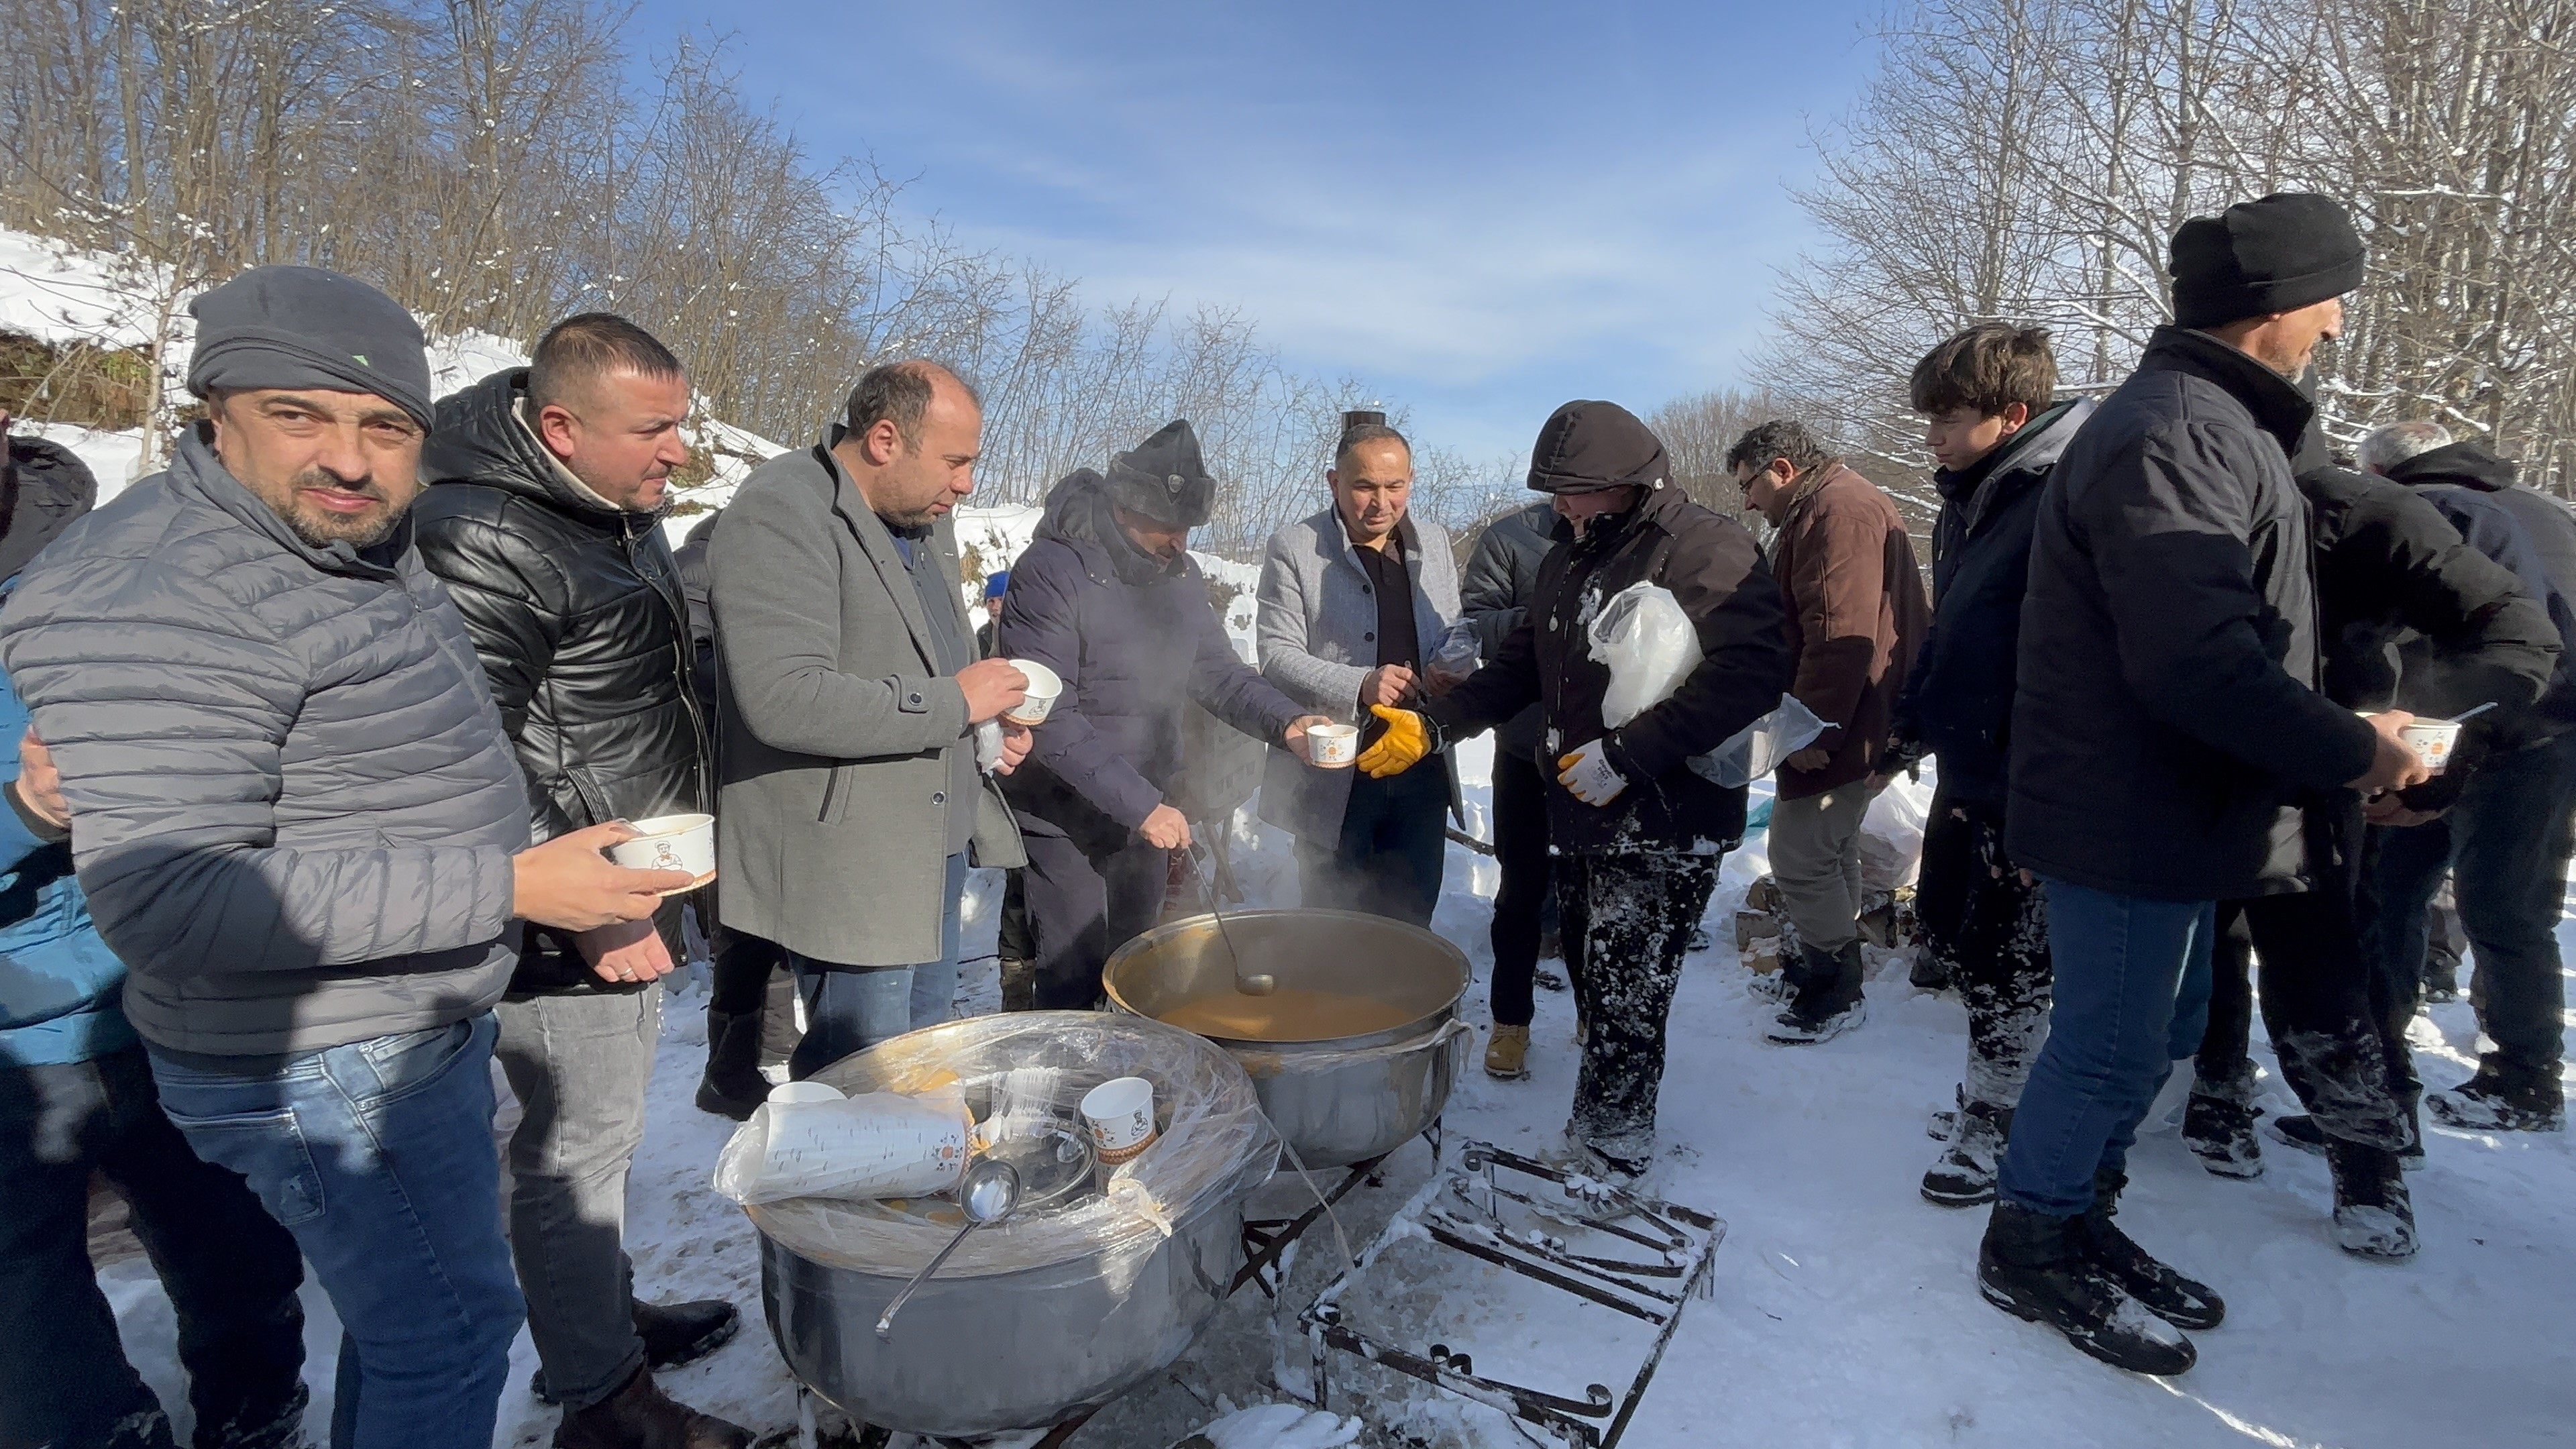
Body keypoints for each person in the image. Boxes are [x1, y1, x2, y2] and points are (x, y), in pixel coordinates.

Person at [0, 265, 694, 1449]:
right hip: (322, 1054)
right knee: (445, 1342)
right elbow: (165, 897)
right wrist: (515, 887)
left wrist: (530, 873)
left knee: (428, 1329)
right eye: (298, 414)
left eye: (384, 426)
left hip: (397, 1015)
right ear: (214, 410)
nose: (351, 459)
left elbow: (441, 750)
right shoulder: (152, 587)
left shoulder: (348, 544)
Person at [1980, 195, 2431, 1375]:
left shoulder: (2209, 422)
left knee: (2148, 1037)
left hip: (2169, 808)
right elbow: (2194, 660)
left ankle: (2076, 1210)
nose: (2337, 327)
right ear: (2274, 305)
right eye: (2331, 299)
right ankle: (2029, 1237)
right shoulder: (2177, 432)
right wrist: (2354, 748)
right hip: (2127, 812)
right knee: (2109, 1047)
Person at [411, 316, 748, 1448]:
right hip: (567, 909)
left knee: (597, 1138)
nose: (678, 453)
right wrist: (596, 906)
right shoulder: (482, 533)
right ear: (561, 426)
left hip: (626, 877)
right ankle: (604, 1402)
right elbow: (474, 758)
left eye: (680, 427)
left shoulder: (609, 508)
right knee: (573, 1149)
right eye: (653, 430)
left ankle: (599, 1323)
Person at [1364, 400, 1791, 1181]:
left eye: (1574, 491)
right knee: (1603, 969)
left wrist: (1628, 755)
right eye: (1553, 492)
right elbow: (1519, 667)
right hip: (1587, 810)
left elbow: (1755, 669)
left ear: (1626, 482)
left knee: (1631, 986)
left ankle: (1610, 1148)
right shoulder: (1572, 556)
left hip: (1667, 810)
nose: (1560, 507)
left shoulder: (1702, 547)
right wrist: (1434, 726)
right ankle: (1608, 1105)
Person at [2180, 430, 2559, 1260]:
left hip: (2331, 767)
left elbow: (2513, 631)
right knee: (2214, 940)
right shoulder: (2177, 505)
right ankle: (2219, 1093)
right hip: (2211, 763)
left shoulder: (2365, 511)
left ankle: (2370, 1160)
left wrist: (2439, 752)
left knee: (2321, 959)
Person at [1, 446, 312, 1449]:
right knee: (27, 1291)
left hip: (160, 985)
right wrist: (23, 814)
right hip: (15, 1036)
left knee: (228, 1232)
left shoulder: (90, 562)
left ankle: (260, 1406)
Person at [708, 360, 1031, 1079]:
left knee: (923, 1061)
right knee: (864, 1076)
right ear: (886, 440)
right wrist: (957, 705)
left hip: (934, 844)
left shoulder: (919, 517)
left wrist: (983, 728)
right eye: (955, 462)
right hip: (856, 861)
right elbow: (784, 696)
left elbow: (934, 662)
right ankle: (849, 1186)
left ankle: (910, 1183)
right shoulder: (786, 509)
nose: (966, 484)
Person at [998, 423, 1329, 1010]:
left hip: (1144, 804)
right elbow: (1051, 715)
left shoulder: (1179, 576)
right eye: (1168, 526)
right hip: (1062, 813)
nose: (1180, 541)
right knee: (1072, 971)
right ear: (1125, 506)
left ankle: (1130, 1088)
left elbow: (1220, 673)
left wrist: (1288, 723)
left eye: (1187, 528)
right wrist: (1144, 805)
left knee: (1139, 965)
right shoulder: (1051, 571)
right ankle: (1065, 1093)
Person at [1885, 323, 2094, 1206]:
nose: (1931, 433)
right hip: (1973, 763)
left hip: (2038, 771)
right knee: (1967, 936)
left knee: (2016, 959)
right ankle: (1988, 1092)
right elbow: (1956, 628)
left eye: (1949, 416)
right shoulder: (1974, 494)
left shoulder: (2065, 492)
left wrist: (2031, 761)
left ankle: (1998, 1124)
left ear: (2013, 413)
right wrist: (1914, 718)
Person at [2363, 432, 2576, 1132]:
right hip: (2533, 729)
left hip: (2518, 730)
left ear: (2382, 469)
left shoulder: (2427, 511)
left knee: (2493, 903)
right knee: (2419, 892)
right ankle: (2387, 1057)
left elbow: (2421, 646)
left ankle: (2524, 1079)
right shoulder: (2542, 507)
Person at [1727, 419, 1929, 1044]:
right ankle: (1823, 964)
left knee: (1799, 850)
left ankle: (1834, 990)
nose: (1748, 501)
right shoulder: (1839, 502)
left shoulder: (1835, 514)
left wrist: (1814, 730)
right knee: (1833, 845)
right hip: (1863, 712)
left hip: (1848, 713)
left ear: (1783, 469)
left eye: (1750, 486)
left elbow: (1839, 634)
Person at [1256, 423, 1462, 926]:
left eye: (1395, 486)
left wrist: (1453, 664)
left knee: (1412, 918)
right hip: (1335, 775)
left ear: (1411, 480)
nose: (1381, 502)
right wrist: (1360, 684)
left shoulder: (1434, 543)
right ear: (1334, 482)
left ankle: (1409, 1006)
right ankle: (1332, 1006)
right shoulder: (1295, 547)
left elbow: (1455, 631)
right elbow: (1275, 655)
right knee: (1332, 922)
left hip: (1419, 762)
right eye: (1364, 486)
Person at [675, 511, 795, 1117]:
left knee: (758, 926)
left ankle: (759, 1052)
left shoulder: (710, 563)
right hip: (721, 780)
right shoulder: (706, 571)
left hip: (728, 776)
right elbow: (694, 676)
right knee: (744, 930)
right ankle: (726, 1074)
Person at [1458, 499, 1571, 1080]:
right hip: (1523, 741)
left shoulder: (1633, 538)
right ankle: (1510, 1021)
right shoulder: (1508, 537)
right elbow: (1477, 623)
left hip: (1600, 746)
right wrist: (1557, 614)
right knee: (1520, 888)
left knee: (1592, 891)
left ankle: (1596, 1017)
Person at [976, 570, 1010, 658]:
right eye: (991, 601)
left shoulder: (1029, 633)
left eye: (1001, 600)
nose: (995, 607)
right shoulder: (983, 635)